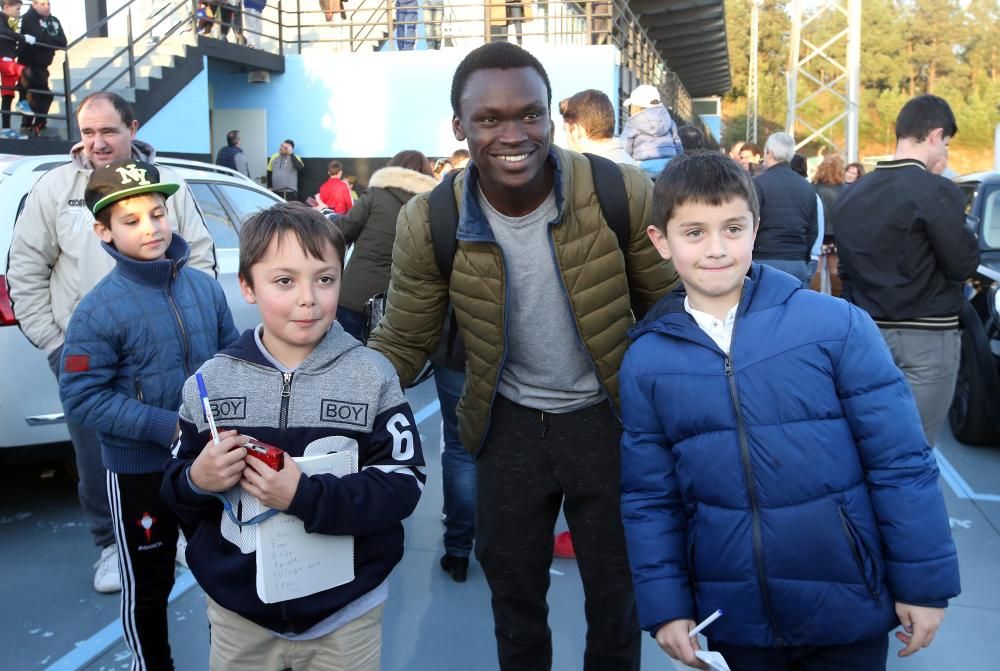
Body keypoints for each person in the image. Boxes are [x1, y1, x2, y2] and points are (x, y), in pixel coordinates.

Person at [366, 42, 678, 670]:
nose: (513, 134)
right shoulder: (432, 218)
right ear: (459, 127)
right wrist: (320, 395)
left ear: (551, 119)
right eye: (489, 120)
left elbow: (672, 311)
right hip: (507, 427)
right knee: (514, 606)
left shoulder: (620, 191)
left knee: (618, 605)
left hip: (611, 423)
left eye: (529, 115)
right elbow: (403, 339)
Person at [620, 151, 961, 671]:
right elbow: (651, 497)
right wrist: (666, 606)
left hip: (847, 610)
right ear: (660, 241)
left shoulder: (837, 327)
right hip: (731, 621)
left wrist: (923, 584)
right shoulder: (646, 361)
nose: (716, 249)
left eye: (732, 228)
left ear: (755, 229)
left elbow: (901, 462)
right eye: (694, 232)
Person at [161, 202, 425, 671]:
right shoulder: (212, 382)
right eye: (285, 281)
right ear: (247, 287)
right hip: (238, 617)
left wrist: (305, 496)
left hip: (346, 616)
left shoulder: (373, 376)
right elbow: (176, 487)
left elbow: (403, 483)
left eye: (324, 279)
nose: (308, 298)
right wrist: (197, 480)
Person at [6, 91, 217, 594]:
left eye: (108, 131)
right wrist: (57, 346)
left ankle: (179, 530)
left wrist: (188, 327)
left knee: (175, 442)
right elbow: (26, 270)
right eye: (88, 132)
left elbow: (201, 259)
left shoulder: (171, 186)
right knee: (96, 457)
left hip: (165, 353)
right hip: (90, 358)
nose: (97, 143)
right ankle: (110, 546)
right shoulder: (56, 188)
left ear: (132, 129)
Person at [59, 160, 239, 671]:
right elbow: (83, 396)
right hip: (139, 472)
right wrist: (168, 427)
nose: (151, 228)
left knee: (221, 570)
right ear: (105, 231)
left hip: (208, 465)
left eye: (158, 214)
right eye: (132, 220)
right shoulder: (97, 309)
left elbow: (229, 363)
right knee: (149, 582)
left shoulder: (205, 289)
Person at [834, 94, 980, 445]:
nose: (943, 150)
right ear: (935, 135)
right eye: (945, 142)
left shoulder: (853, 194)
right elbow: (962, 263)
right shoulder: (937, 191)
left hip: (867, 334)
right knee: (913, 451)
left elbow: (846, 271)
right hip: (928, 336)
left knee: (869, 444)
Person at [322, 150, 436, 341]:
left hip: (356, 295)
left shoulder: (376, 194)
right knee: (385, 363)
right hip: (400, 304)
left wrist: (329, 218)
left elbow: (343, 230)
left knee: (344, 359)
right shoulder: (432, 205)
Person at [752, 131, 818, 285]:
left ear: (769, 153)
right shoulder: (807, 187)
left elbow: (750, 222)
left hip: (764, 260)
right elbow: (813, 230)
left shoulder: (758, 184)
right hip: (797, 262)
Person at [16, 0, 65, 137]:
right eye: (42, 4)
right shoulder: (28, 18)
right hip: (28, 65)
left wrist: (46, 39)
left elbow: (63, 41)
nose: (47, 7)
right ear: (34, 5)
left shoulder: (52, 21)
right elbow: (38, 37)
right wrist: (50, 40)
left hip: (43, 67)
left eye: (48, 4)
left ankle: (35, 126)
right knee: (36, 97)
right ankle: (30, 127)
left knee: (42, 97)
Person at [558, 88, 637, 165]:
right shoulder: (635, 167)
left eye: (566, 131)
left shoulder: (584, 173)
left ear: (576, 130)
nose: (567, 139)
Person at [621, 83, 683, 178]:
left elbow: (625, 149)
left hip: (642, 170)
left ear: (636, 106)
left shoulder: (632, 124)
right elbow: (678, 145)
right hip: (669, 168)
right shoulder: (669, 121)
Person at [811, 154, 846, 295]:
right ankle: (837, 299)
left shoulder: (813, 188)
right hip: (837, 234)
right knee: (835, 269)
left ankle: (814, 299)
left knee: (817, 269)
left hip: (819, 234)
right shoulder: (845, 190)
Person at [0, 0, 25, 136]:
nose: (19, 12)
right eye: (17, 9)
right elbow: (2, 31)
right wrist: (22, 37)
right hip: (2, 60)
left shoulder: (9, 21)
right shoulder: (1, 18)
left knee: (7, 94)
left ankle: (6, 129)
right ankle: (22, 102)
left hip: (8, 59)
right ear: (7, 7)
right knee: (26, 72)